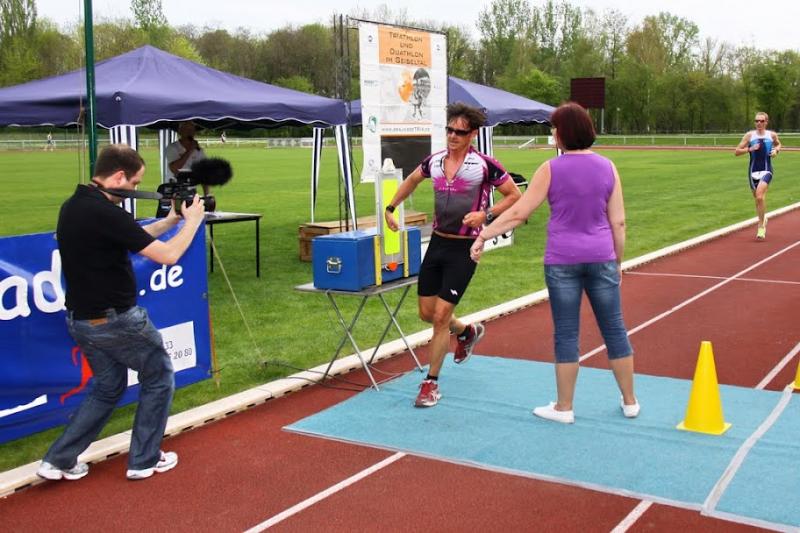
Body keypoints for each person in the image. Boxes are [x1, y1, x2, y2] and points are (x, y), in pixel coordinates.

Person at [37, 144, 206, 481]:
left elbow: (132, 237)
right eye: (134, 183)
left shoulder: (75, 205)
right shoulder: (106, 213)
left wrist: (171, 221)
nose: (134, 189)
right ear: (117, 177)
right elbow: (169, 255)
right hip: (116, 320)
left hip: (82, 320)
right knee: (159, 378)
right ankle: (145, 459)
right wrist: (193, 223)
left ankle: (58, 460)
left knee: (108, 386)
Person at [470, 102, 638, 424]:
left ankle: (564, 407)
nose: (553, 134)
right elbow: (618, 222)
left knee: (566, 333)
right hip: (601, 256)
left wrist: (483, 235)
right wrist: (617, 260)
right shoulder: (608, 167)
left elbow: (519, 213)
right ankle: (630, 401)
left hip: (562, 261)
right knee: (614, 328)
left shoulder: (550, 169)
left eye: (554, 129)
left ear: (561, 134)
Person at [384, 102, 521, 408]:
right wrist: (391, 208)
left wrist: (485, 215)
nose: (452, 136)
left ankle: (430, 384)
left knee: (440, 317)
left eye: (460, 132)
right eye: (449, 130)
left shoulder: (484, 165)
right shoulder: (434, 161)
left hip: (465, 248)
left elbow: (514, 195)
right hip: (437, 244)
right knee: (426, 313)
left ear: (472, 134)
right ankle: (467, 331)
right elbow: (412, 180)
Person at [735, 112, 782, 240]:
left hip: (767, 170)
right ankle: (763, 218)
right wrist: (750, 149)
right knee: (757, 199)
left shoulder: (771, 135)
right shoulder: (749, 136)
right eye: (756, 121)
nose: (759, 123)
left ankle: (761, 227)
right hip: (752, 171)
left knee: (760, 196)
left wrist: (776, 150)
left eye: (761, 121)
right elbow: (737, 151)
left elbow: (778, 144)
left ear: (766, 122)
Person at [165, 121, 209, 195]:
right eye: (187, 130)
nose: (190, 133)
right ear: (180, 132)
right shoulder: (172, 147)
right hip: (175, 190)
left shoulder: (198, 151)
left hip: (191, 190)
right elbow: (175, 169)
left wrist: (206, 194)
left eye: (192, 130)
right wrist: (190, 150)